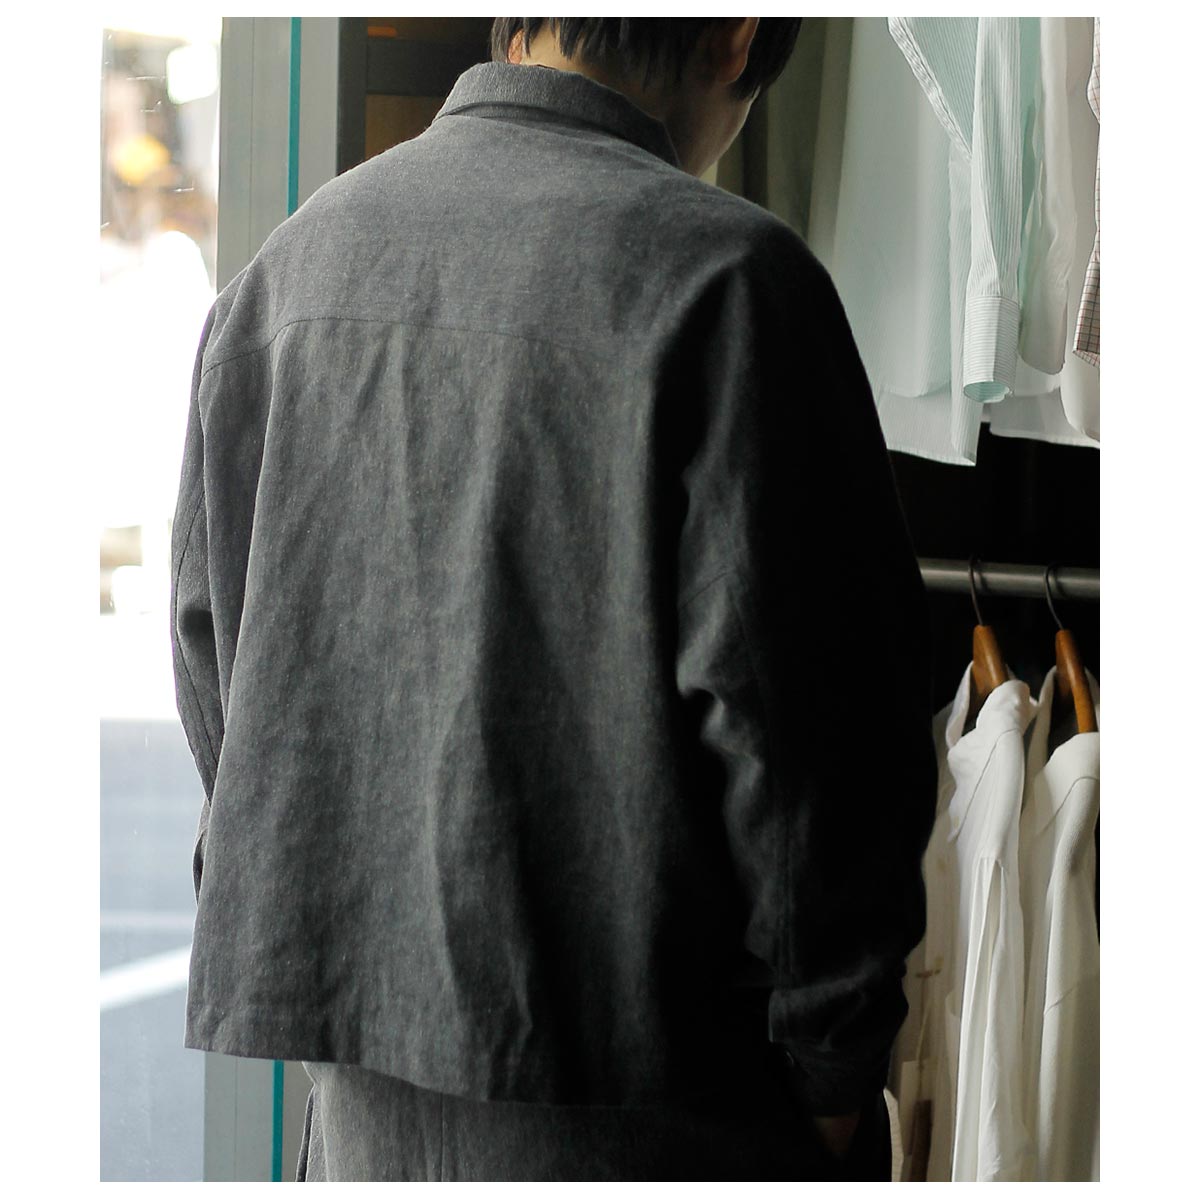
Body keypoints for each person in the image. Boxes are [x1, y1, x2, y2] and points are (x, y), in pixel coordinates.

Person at [170, 16, 937, 1181]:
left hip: (361, 1122)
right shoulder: (731, 281)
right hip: (670, 1111)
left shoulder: (282, 275)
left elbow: (214, 668)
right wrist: (837, 1063)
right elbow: (810, 749)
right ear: (736, 39)